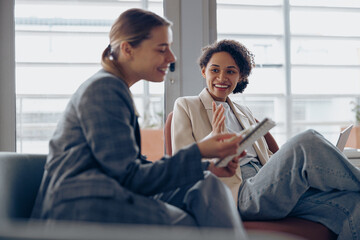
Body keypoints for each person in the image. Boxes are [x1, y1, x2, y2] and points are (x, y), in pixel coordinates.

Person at [30, 9, 249, 239]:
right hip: (83, 206)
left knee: (207, 183)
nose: (172, 58)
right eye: (162, 49)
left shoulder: (114, 87)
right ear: (127, 49)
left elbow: (133, 168)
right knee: (186, 220)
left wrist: (208, 166)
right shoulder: (104, 89)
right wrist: (200, 151)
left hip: (111, 192)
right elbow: (130, 176)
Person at [171, 39, 360, 240]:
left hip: (268, 185)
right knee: (308, 140)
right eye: (214, 70)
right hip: (239, 194)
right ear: (203, 71)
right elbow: (181, 165)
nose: (222, 77)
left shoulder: (244, 112)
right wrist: (211, 141)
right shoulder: (187, 106)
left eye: (230, 71)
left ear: (240, 76)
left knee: (352, 201)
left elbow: (267, 158)